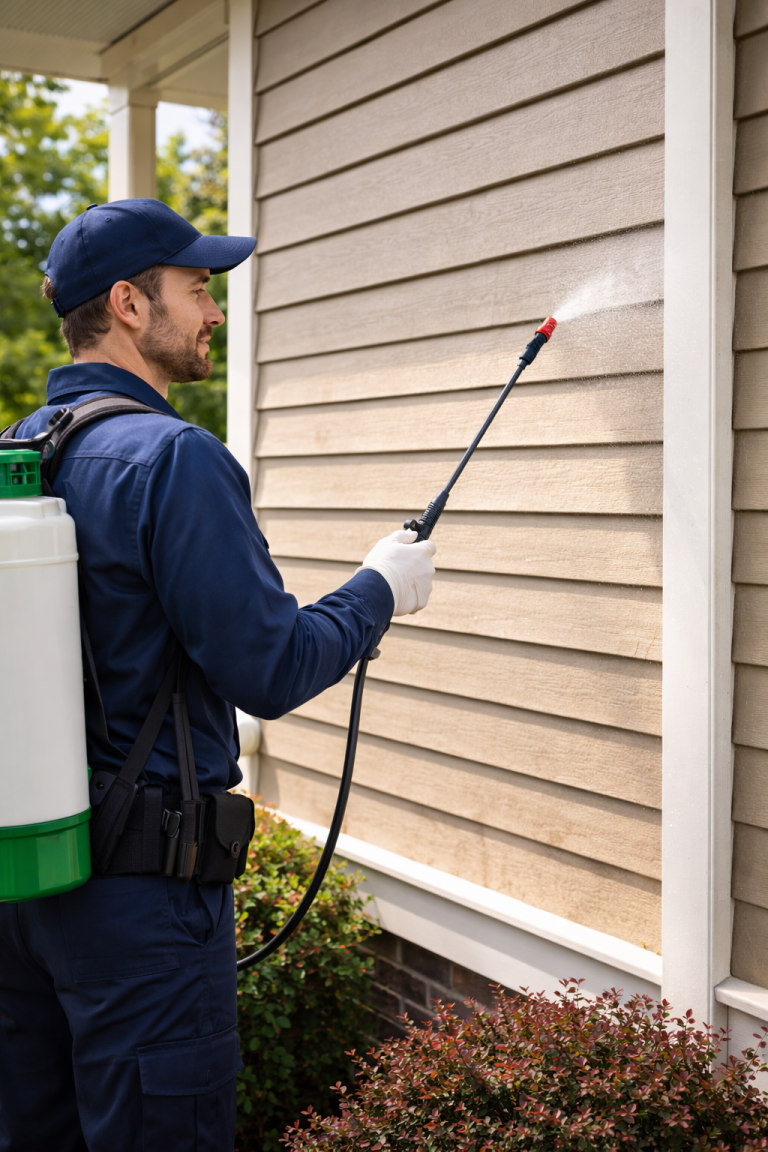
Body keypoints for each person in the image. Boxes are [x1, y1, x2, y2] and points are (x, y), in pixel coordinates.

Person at [0, 199, 436, 1152]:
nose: (215, 312)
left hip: (28, 885)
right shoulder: (173, 460)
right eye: (197, 288)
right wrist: (380, 590)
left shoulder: (22, 453)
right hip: (143, 911)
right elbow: (270, 668)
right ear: (127, 303)